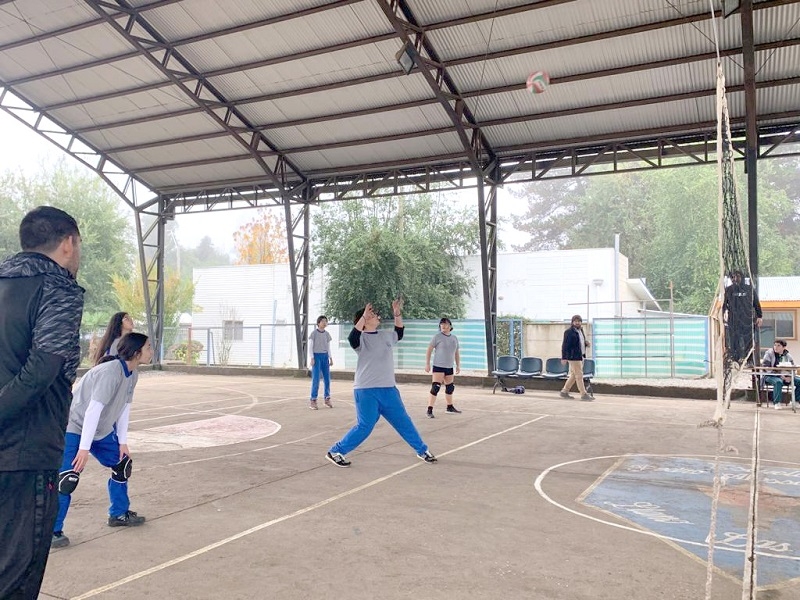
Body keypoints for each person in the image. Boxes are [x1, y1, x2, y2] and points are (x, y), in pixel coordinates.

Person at [0, 206, 84, 599]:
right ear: (68, 243)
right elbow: (42, 368)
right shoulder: (58, 287)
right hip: (25, 455)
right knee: (16, 573)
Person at [51, 332, 153, 548]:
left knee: (122, 464)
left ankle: (118, 513)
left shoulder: (132, 373)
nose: (151, 351)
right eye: (148, 348)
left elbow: (125, 408)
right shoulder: (110, 373)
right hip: (76, 427)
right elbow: (92, 411)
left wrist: (123, 442)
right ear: (136, 353)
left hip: (101, 430)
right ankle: (52, 531)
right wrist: (84, 449)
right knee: (67, 478)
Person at [325, 300, 437, 467]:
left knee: (403, 421)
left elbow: (399, 332)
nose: (377, 315)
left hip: (388, 390)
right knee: (365, 425)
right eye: (372, 314)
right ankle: (336, 451)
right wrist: (364, 315)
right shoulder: (360, 339)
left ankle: (422, 450)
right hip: (366, 391)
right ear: (363, 320)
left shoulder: (385, 335)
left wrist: (397, 313)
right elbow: (352, 337)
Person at [722, 269, 763, 363]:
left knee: (748, 340)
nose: (735, 279)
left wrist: (760, 316)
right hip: (733, 320)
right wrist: (722, 315)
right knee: (734, 340)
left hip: (747, 320)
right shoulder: (729, 290)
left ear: (742, 277)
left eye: (737, 276)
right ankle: (735, 360)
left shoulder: (749, 289)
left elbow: (756, 302)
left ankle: (748, 360)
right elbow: (724, 304)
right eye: (733, 277)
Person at [424, 317, 461, 418]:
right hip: (438, 366)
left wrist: (458, 365)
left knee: (450, 388)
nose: (443, 326)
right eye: (442, 324)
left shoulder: (454, 338)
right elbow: (429, 350)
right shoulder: (437, 337)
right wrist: (427, 363)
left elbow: (456, 353)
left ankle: (449, 407)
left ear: (450, 326)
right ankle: (429, 409)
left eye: (446, 324)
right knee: (435, 387)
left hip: (449, 366)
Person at [560, 314, 593, 401]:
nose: (577, 322)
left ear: (581, 322)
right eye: (575, 321)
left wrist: (586, 343)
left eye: (579, 321)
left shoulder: (580, 330)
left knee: (574, 375)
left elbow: (579, 342)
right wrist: (564, 357)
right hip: (573, 356)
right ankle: (583, 394)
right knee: (579, 375)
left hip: (581, 355)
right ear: (572, 322)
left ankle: (564, 391)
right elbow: (565, 346)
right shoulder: (568, 332)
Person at [761, 339, 800, 410]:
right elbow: (765, 368)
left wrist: (790, 377)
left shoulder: (788, 356)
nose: (776, 347)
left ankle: (796, 401)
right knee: (778, 382)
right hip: (770, 375)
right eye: (775, 345)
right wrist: (779, 375)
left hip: (786, 376)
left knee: (799, 381)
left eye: (778, 345)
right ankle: (777, 402)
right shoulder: (769, 354)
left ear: (784, 347)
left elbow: (793, 368)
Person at [308, 315, 333, 409]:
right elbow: (310, 347)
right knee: (316, 379)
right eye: (323, 321)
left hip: (325, 356)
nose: (324, 323)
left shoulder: (327, 334)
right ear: (318, 323)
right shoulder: (314, 333)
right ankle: (313, 400)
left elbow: (328, 347)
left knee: (327, 379)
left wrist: (330, 358)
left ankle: (327, 398)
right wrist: (312, 357)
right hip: (316, 356)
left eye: (326, 321)